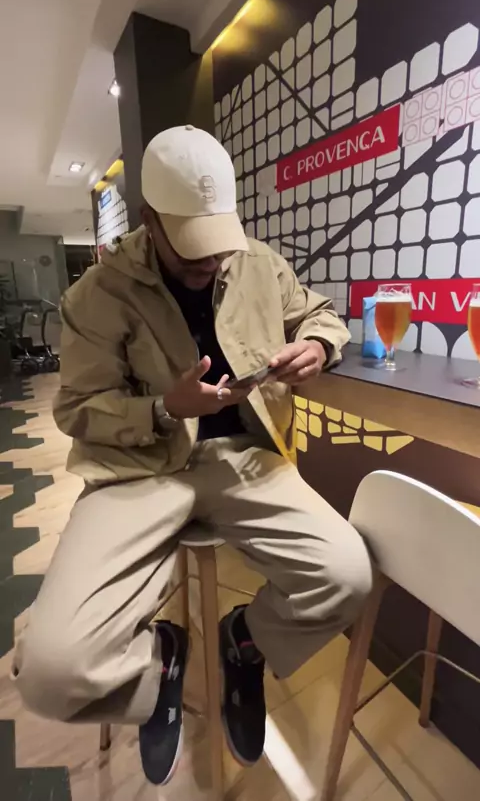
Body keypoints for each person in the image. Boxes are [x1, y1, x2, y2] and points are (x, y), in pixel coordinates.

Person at [13, 125, 372, 786]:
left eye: (217, 242)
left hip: (247, 457)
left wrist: (318, 345)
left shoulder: (258, 262)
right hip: (138, 471)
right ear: (150, 219)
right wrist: (162, 409)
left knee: (346, 577)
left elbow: (319, 313)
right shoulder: (97, 296)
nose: (210, 261)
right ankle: (161, 663)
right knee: (49, 674)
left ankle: (246, 642)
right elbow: (76, 411)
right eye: (191, 247)